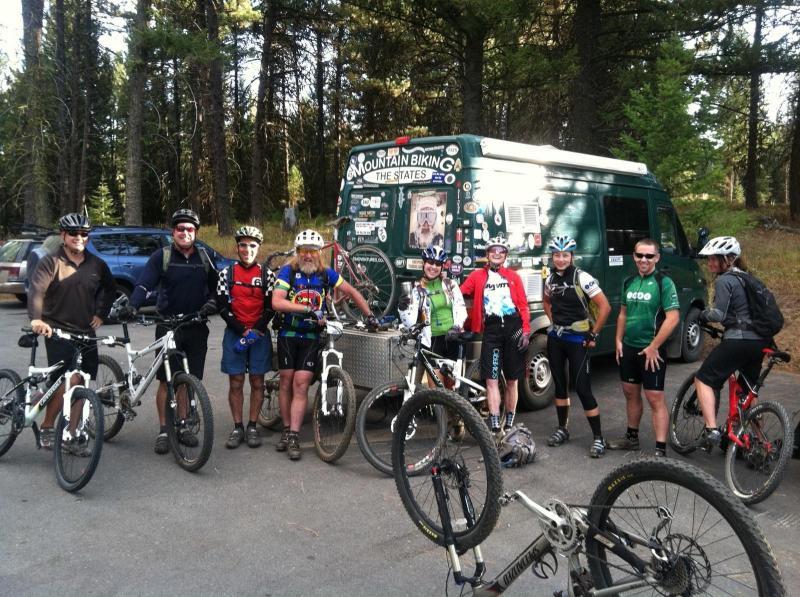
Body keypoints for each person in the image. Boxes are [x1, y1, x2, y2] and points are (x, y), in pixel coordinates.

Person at [271, 229, 378, 460]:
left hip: (311, 337)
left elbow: (351, 291)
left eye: (313, 251)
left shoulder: (325, 274)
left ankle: (294, 436)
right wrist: (307, 309)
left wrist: (370, 316)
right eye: (303, 251)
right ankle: (286, 428)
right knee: (286, 381)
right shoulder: (288, 271)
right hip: (288, 333)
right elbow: (277, 301)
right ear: (297, 252)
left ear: (319, 253)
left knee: (301, 384)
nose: (308, 256)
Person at [127, 208, 218, 455]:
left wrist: (213, 302)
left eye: (190, 229)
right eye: (180, 228)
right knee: (167, 380)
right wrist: (133, 304)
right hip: (168, 326)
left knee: (189, 382)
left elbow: (216, 288)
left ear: (196, 232)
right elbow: (145, 283)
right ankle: (165, 429)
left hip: (197, 327)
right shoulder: (162, 256)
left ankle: (184, 426)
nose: (185, 233)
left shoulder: (205, 256)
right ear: (173, 231)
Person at [27, 213, 116, 449]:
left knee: (84, 382)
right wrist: (36, 320)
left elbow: (110, 288)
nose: (79, 237)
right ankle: (47, 426)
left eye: (84, 234)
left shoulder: (97, 264)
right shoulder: (51, 262)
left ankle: (73, 433)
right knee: (71, 378)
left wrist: (101, 313)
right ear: (63, 235)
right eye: (74, 233)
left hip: (85, 332)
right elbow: (36, 291)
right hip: (56, 330)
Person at [693, 236, 772, 448]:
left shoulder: (724, 280)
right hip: (759, 342)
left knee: (703, 380)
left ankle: (711, 430)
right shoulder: (748, 279)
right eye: (708, 259)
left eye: (714, 259)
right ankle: (757, 440)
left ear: (728, 259)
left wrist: (702, 315)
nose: (709, 263)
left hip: (738, 340)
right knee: (747, 391)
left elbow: (718, 314)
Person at [607, 238, 680, 457]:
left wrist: (654, 346)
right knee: (630, 393)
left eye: (649, 256)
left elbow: (673, 318)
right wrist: (618, 340)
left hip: (652, 351)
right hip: (629, 348)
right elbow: (623, 313)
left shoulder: (664, 282)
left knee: (654, 397)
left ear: (657, 257)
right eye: (639, 255)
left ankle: (660, 449)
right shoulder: (628, 281)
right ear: (634, 257)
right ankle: (631, 439)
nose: (644, 260)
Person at [542, 235, 611, 457]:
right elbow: (546, 301)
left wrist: (594, 333)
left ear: (572, 256)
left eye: (565, 255)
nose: (560, 259)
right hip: (556, 339)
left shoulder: (582, 277)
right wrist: (553, 321)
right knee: (560, 386)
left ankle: (598, 438)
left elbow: (605, 307)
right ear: (552, 256)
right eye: (556, 255)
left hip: (577, 340)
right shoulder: (550, 278)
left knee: (582, 388)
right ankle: (563, 429)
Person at [460, 237, 530, 433]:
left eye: (501, 251)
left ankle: (509, 422)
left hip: (513, 327)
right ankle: (495, 424)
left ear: (505, 255)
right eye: (493, 250)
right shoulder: (477, 276)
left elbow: (523, 305)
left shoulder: (513, 277)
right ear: (487, 255)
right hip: (491, 329)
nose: (497, 253)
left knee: (512, 379)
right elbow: (459, 294)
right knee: (491, 379)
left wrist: (526, 331)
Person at [216, 225, 276, 449]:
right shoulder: (227, 273)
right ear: (237, 247)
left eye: (252, 245)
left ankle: (252, 426)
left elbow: (271, 307)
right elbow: (222, 308)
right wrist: (242, 330)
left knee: (258, 381)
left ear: (258, 248)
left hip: (259, 334)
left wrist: (256, 330)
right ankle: (237, 426)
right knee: (236, 381)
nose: (247, 249)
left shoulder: (266, 274)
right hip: (235, 334)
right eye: (243, 245)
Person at [397, 244, 467, 389]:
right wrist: (402, 308)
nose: (433, 267)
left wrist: (457, 326)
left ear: (442, 267)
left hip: (452, 338)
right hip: (431, 343)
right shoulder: (417, 290)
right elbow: (410, 323)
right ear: (424, 263)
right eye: (430, 262)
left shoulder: (450, 284)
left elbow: (460, 308)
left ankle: (457, 412)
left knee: (452, 389)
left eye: (438, 264)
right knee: (436, 390)